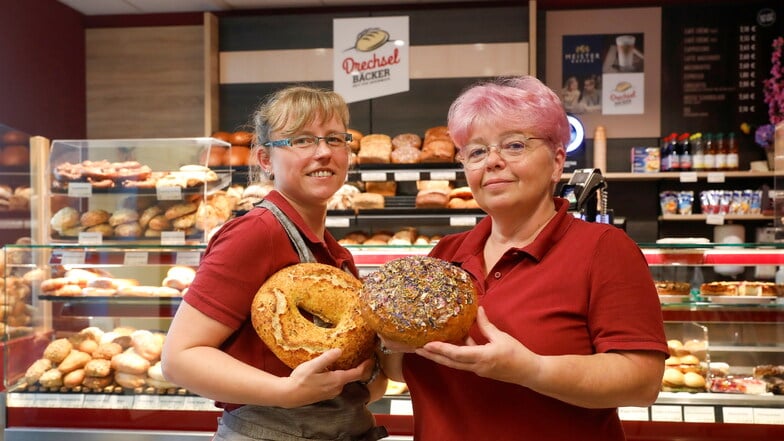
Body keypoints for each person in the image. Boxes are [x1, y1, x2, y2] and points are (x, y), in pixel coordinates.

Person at [378, 76, 668, 440]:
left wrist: (529, 370)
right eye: (477, 152)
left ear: (557, 162)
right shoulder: (444, 255)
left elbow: (641, 383)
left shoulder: (604, 249)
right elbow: (402, 370)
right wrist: (392, 342)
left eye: (514, 145)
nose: (493, 162)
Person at [162, 85, 388, 441]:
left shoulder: (334, 254)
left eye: (335, 139)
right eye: (301, 140)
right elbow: (180, 358)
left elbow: (362, 382)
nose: (323, 152)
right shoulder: (256, 233)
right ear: (265, 159)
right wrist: (287, 392)